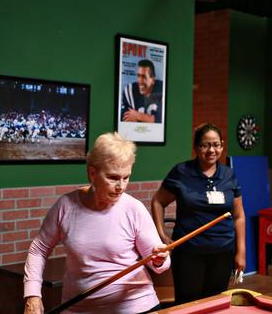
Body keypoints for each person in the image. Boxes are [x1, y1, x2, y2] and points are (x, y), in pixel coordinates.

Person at [23, 132, 170, 314]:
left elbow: (161, 264)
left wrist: (159, 259)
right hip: (78, 308)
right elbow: (38, 250)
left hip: (136, 306)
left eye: (126, 177)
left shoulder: (134, 208)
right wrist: (32, 296)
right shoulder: (66, 206)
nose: (121, 187)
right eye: (113, 178)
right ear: (92, 173)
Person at [151, 123, 246, 304]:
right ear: (196, 147)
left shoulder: (229, 175)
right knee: (188, 304)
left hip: (223, 252)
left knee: (214, 304)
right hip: (189, 254)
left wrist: (241, 252)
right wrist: (161, 234)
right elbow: (158, 201)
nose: (211, 150)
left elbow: (239, 216)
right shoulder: (181, 172)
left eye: (216, 144)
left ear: (222, 145)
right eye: (205, 145)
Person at [121, 59, 163, 123]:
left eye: (144, 77)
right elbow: (124, 118)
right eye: (138, 76)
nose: (140, 81)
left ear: (153, 80)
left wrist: (138, 116)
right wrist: (149, 119)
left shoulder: (161, 89)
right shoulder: (130, 90)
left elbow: (163, 120)